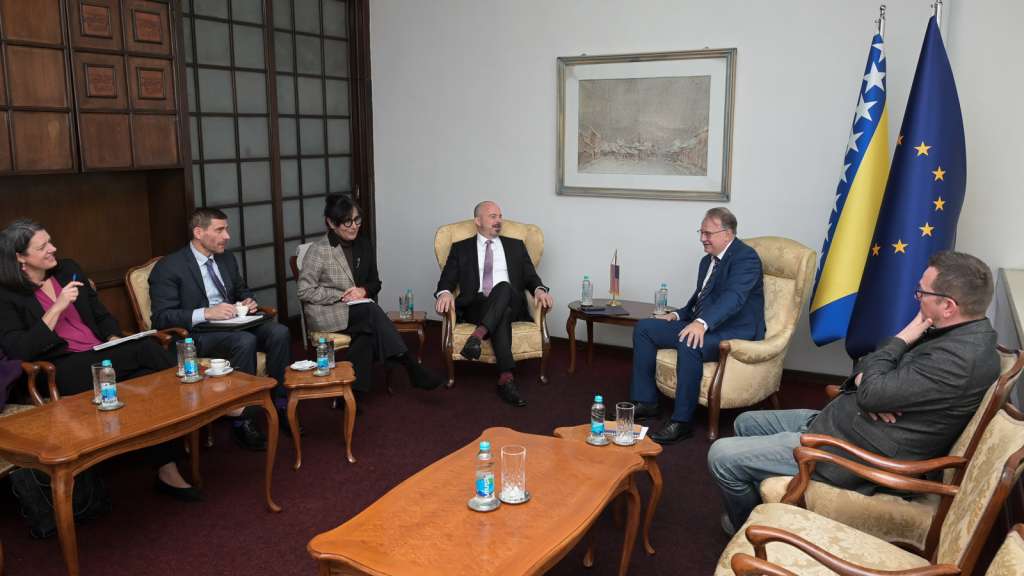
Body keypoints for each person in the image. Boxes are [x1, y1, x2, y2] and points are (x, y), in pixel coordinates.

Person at [707, 250, 1001, 535]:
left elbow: (872, 389)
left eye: (922, 292)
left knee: (721, 456)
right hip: (849, 422)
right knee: (745, 422)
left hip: (855, 452)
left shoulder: (959, 359)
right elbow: (866, 371)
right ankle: (764, 499)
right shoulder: (955, 332)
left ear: (948, 306)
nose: (917, 298)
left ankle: (750, 526)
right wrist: (871, 386)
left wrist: (899, 343)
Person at [0, 219, 201, 501]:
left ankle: (168, 470)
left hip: (101, 354)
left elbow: (101, 315)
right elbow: (20, 350)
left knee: (145, 380)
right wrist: (57, 307)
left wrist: (114, 339)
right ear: (20, 257)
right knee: (147, 348)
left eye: (50, 241)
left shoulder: (67, 269)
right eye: (43, 246)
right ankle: (200, 399)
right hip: (60, 368)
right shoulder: (7, 295)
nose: (53, 248)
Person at [149, 208, 291, 451]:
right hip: (196, 334)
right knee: (244, 341)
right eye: (220, 230)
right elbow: (162, 318)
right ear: (198, 232)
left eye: (227, 229)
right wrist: (206, 313)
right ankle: (242, 419)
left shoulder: (226, 259)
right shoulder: (169, 266)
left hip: (234, 324)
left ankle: (280, 403)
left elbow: (242, 291)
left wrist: (248, 302)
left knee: (280, 332)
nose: (227, 236)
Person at [630, 207, 765, 444]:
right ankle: (647, 401)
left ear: (728, 234)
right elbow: (700, 298)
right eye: (701, 232)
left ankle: (682, 422)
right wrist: (678, 315)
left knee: (689, 341)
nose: (702, 238)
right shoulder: (707, 261)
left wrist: (701, 323)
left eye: (708, 233)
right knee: (645, 328)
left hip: (735, 331)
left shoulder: (746, 258)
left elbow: (733, 298)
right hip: (708, 325)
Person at [297, 194, 444, 393]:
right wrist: (340, 295)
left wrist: (363, 290)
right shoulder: (319, 250)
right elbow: (304, 291)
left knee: (365, 335)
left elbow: (375, 283)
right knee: (370, 310)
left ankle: (352, 395)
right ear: (331, 223)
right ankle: (411, 365)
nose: (354, 226)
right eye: (347, 222)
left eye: (357, 220)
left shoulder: (364, 245)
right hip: (327, 312)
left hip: (358, 313)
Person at [434, 201, 553, 407]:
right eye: (492, 216)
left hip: (512, 300)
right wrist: (444, 293)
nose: (498, 220)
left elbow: (530, 277)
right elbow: (447, 280)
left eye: (500, 216)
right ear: (477, 221)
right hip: (476, 305)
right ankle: (506, 379)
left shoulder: (516, 246)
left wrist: (539, 290)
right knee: (502, 313)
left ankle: (477, 336)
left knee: (504, 287)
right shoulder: (461, 248)